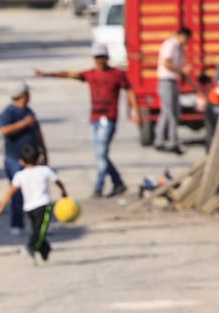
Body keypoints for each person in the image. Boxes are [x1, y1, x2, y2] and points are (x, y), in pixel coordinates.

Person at [35, 44, 140, 198]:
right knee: (100, 155)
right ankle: (118, 182)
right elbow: (69, 74)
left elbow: (129, 91)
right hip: (95, 119)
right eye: (97, 58)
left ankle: (98, 188)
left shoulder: (117, 74)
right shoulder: (91, 74)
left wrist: (136, 112)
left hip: (109, 119)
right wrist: (47, 74)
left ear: (107, 58)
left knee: (101, 153)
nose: (99, 61)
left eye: (102, 57)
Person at [0, 144, 69, 264]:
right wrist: (64, 191)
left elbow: (11, 191)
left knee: (39, 230)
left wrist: (1, 206)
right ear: (39, 159)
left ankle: (43, 249)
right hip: (41, 206)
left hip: (31, 208)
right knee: (40, 231)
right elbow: (58, 181)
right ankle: (33, 247)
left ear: (21, 161)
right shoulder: (45, 170)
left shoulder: (20, 175)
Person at [0, 81, 48, 236]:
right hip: (15, 159)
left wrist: (44, 152)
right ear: (22, 95)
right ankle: (17, 223)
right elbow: (4, 130)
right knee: (18, 192)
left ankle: (38, 226)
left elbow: (38, 132)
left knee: (38, 192)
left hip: (33, 159)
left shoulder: (29, 111)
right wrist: (23, 124)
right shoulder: (9, 112)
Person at [154, 27, 192, 155]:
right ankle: (173, 142)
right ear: (182, 36)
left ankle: (159, 141)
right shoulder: (171, 45)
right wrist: (181, 70)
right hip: (166, 82)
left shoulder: (179, 48)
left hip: (173, 81)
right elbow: (166, 63)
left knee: (167, 112)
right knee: (171, 113)